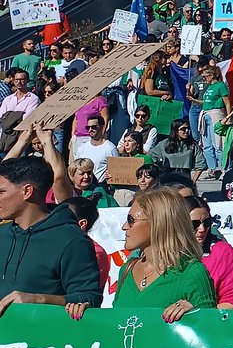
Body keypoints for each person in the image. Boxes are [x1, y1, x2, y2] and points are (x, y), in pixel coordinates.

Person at [0, 157, 102, 316]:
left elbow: (90, 297)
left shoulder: (72, 240)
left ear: (27, 191)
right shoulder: (2, 233)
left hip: (38, 338)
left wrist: (39, 299)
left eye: (1, 192)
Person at [112, 187, 217, 321]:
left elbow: (210, 329)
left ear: (158, 223)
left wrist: (195, 311)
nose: (124, 226)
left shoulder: (192, 272)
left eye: (131, 219)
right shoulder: (127, 270)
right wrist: (85, 313)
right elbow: (113, 326)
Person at [183, 196, 233, 309]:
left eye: (207, 222)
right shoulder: (163, 253)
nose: (202, 229)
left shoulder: (225, 254)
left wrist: (199, 312)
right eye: (194, 224)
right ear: (179, 224)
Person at [72, 115, 119, 182]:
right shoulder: (82, 148)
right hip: (84, 187)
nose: (90, 130)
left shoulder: (110, 149)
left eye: (93, 127)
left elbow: (116, 172)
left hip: (101, 188)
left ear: (102, 127)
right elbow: (76, 169)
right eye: (88, 127)